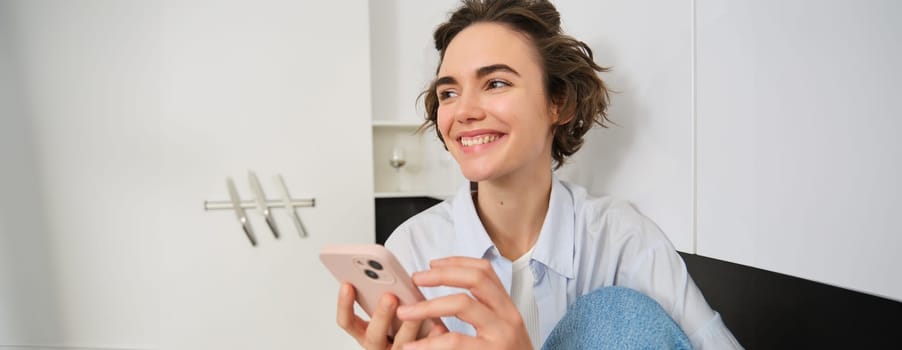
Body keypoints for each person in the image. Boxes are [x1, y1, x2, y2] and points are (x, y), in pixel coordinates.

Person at [336, 0, 743, 348]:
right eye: (449, 93)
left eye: (495, 83)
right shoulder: (414, 247)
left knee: (616, 315)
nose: (463, 111)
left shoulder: (620, 239)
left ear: (559, 103)